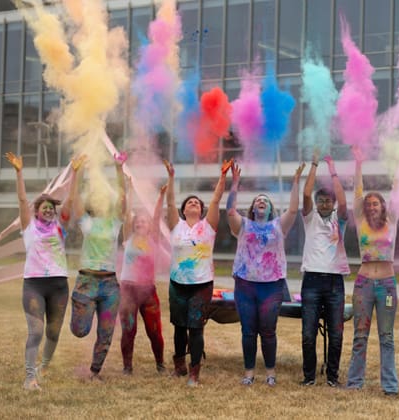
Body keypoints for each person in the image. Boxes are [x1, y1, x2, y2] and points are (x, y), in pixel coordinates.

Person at [227, 162, 305, 387]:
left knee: (268, 330)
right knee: (248, 330)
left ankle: (270, 372)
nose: (261, 201)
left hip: (272, 286)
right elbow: (230, 211)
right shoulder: (243, 225)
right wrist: (235, 184)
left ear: (271, 209)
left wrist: (295, 182)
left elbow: (293, 209)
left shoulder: (279, 226)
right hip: (245, 285)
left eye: (266, 201)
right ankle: (249, 372)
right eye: (258, 200)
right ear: (253, 207)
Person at [5, 152, 79, 391]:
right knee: (36, 331)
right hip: (34, 285)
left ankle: (44, 366)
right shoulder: (28, 228)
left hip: (58, 286)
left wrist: (76, 173)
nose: (48, 210)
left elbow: (69, 202)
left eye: (51, 208)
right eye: (43, 207)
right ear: (36, 211)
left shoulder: (60, 227)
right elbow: (21, 199)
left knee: (54, 333)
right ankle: (29, 378)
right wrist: (19, 173)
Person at [166, 159, 232, 387]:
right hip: (177, 284)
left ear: (201, 210)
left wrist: (223, 177)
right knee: (179, 327)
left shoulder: (208, 227)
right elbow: (170, 201)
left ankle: (194, 372)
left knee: (195, 327)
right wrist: (172, 177)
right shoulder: (177, 226)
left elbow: (216, 199)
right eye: (189, 202)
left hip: (201, 284)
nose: (193, 203)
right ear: (184, 210)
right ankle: (179, 366)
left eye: (197, 202)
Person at [68, 152, 127, 381]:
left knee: (106, 332)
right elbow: (74, 201)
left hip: (110, 284)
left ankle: (95, 371)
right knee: (80, 330)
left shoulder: (114, 222)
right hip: (87, 281)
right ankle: (78, 312)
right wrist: (77, 172)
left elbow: (123, 197)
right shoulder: (88, 222)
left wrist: (119, 169)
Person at [346, 153, 398, 395]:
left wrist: (397, 165)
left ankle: (390, 385)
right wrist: (358, 163)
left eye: (375, 203)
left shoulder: (393, 220)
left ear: (383, 206)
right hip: (364, 283)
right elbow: (358, 191)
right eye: (369, 204)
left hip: (386, 284)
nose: (371, 206)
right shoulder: (361, 221)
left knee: (386, 336)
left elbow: (398, 190)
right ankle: (355, 382)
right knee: (360, 335)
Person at [299, 154, 350, 387]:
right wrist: (315, 165)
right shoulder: (310, 219)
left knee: (336, 334)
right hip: (311, 281)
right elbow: (306, 194)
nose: (325, 203)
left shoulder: (339, 221)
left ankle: (332, 377)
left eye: (328, 200)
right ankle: (309, 377)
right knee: (308, 334)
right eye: (321, 200)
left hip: (334, 283)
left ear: (333, 203)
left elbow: (343, 200)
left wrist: (332, 169)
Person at [118, 178, 166, 375]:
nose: (140, 222)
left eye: (143, 221)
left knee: (154, 330)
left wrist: (161, 196)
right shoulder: (128, 237)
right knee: (128, 330)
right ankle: (127, 367)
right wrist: (129, 190)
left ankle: (160, 364)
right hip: (128, 289)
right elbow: (126, 215)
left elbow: (156, 218)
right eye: (137, 220)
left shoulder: (153, 239)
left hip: (147, 290)